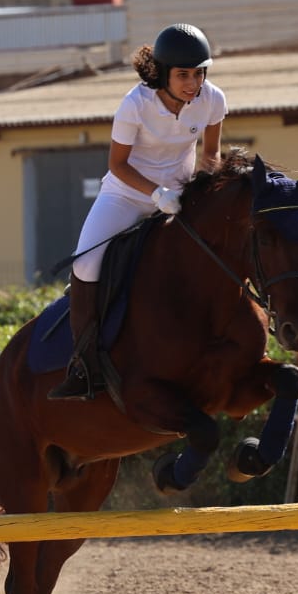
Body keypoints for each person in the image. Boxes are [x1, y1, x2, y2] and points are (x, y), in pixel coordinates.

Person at [48, 23, 226, 401]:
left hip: (180, 195)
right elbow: (118, 165)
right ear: (162, 74)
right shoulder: (134, 105)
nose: (193, 83)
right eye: (183, 75)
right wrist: (155, 193)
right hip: (127, 194)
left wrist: (203, 192)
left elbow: (211, 155)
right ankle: (83, 365)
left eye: (199, 73)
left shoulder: (213, 100)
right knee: (87, 265)